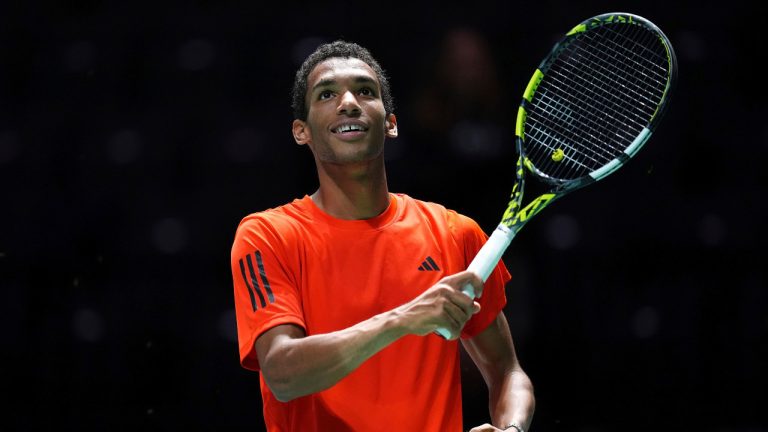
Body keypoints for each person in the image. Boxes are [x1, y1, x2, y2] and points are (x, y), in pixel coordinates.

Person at [230, 40, 535, 432]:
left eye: (365, 91)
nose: (348, 103)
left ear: (390, 123)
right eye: (327, 94)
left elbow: (508, 372)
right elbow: (283, 374)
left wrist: (511, 427)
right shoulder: (269, 235)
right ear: (300, 132)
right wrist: (403, 319)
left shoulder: (454, 233)